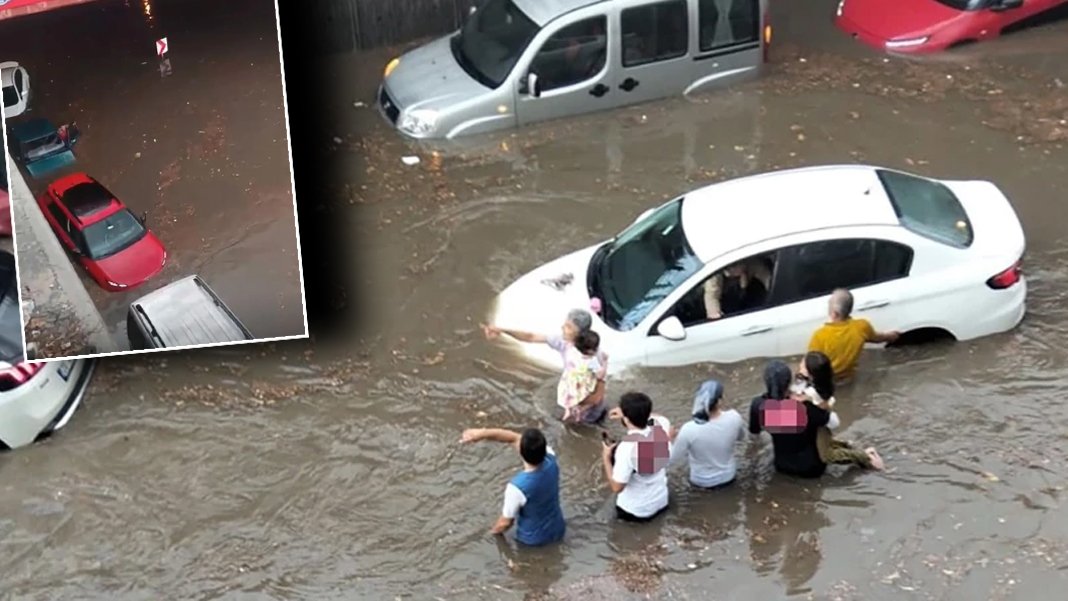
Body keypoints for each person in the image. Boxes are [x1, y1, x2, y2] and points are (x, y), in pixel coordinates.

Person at [483, 307, 609, 423]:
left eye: (569, 327)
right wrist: (502, 330)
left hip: (590, 412)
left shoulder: (594, 356)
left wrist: (578, 406)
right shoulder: (563, 342)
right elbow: (531, 337)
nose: (562, 328)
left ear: (581, 334)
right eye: (565, 324)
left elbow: (597, 395)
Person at [460, 426, 566, 546]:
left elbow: (505, 523)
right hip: (558, 529)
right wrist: (481, 434)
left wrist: (490, 535)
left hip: (531, 542)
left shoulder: (517, 488)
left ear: (521, 451)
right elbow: (514, 438)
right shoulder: (551, 458)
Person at [792, 351, 884, 471]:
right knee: (826, 441)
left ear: (811, 374)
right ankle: (850, 446)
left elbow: (802, 399)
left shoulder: (811, 394)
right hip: (823, 421)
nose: (800, 367)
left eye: (803, 366)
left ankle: (865, 457)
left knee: (826, 455)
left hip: (821, 423)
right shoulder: (823, 385)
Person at [749, 360, 839, 478]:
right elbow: (834, 423)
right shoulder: (804, 408)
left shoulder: (758, 405)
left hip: (782, 466)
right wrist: (816, 402)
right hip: (812, 468)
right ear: (789, 382)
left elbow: (755, 432)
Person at [602, 392, 672, 522]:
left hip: (636, 511)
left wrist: (606, 458)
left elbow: (617, 487)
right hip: (661, 501)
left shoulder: (626, 448)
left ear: (627, 419)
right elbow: (658, 418)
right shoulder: (661, 426)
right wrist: (633, 412)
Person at [669, 379, 746, 489]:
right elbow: (741, 437)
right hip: (729, 477)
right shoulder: (734, 417)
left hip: (701, 482)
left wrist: (667, 439)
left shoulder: (689, 429)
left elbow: (672, 459)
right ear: (719, 401)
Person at [808, 288, 900, 379]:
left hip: (827, 382)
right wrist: (893, 335)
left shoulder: (819, 335)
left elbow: (809, 365)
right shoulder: (862, 327)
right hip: (849, 378)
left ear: (834, 314)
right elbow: (879, 338)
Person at [557, 329, 606, 422]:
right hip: (582, 386)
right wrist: (605, 362)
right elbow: (600, 375)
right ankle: (580, 410)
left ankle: (568, 411)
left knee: (571, 399)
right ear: (591, 351)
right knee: (592, 401)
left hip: (570, 382)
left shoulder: (572, 351)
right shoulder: (592, 361)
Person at [703, 258, 771, 319]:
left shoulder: (752, 263)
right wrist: (716, 317)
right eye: (731, 267)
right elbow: (712, 297)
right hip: (726, 299)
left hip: (745, 295)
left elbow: (767, 279)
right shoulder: (714, 277)